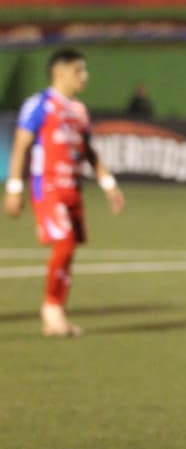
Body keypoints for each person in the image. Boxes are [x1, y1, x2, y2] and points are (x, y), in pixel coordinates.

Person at [4, 47, 125, 337]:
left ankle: (57, 312)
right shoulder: (39, 104)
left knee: (69, 250)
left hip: (73, 189)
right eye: (78, 70)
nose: (85, 76)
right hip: (47, 187)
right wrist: (14, 187)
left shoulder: (79, 110)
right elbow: (21, 144)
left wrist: (108, 184)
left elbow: (88, 151)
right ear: (59, 72)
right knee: (65, 244)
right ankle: (51, 310)